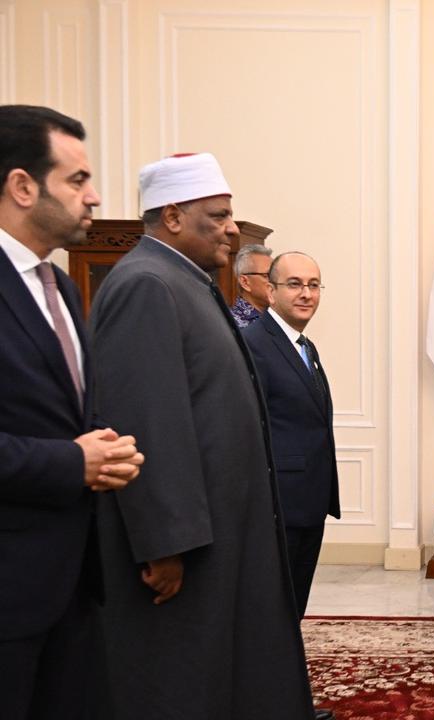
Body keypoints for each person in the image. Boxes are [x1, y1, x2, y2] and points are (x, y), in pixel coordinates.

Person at [90, 153, 315, 719]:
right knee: (181, 678)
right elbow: (146, 423)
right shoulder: (146, 284)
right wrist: (164, 544)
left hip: (219, 535)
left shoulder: (183, 281)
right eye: (218, 215)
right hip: (185, 550)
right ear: (171, 216)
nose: (233, 228)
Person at [0, 104, 143, 720]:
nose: (95, 197)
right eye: (78, 180)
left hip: (72, 587)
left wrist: (103, 453)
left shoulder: (56, 285)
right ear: (23, 186)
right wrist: (71, 462)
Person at [242, 251, 339, 617]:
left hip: (309, 500)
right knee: (271, 609)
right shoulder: (254, 343)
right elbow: (249, 427)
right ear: (270, 291)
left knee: (292, 606)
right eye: (295, 284)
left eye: (314, 285)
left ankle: (284, 671)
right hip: (277, 503)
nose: (306, 294)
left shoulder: (303, 345)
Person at [230, 242, 272, 327]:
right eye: (268, 276)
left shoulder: (279, 319)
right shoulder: (230, 323)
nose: (276, 281)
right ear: (245, 282)